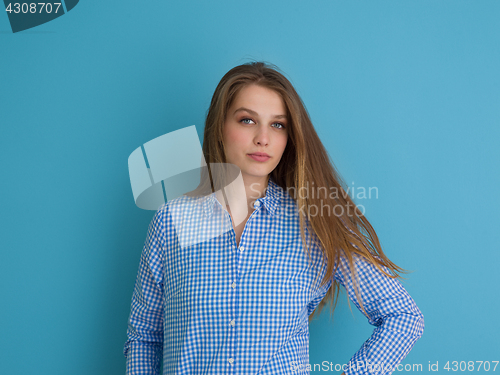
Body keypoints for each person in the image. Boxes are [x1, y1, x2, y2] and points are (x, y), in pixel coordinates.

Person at [123, 61, 424, 375]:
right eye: (247, 120)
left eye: (278, 125)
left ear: (289, 137)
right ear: (220, 126)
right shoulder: (172, 221)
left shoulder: (315, 223)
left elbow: (403, 316)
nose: (263, 138)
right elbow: (145, 336)